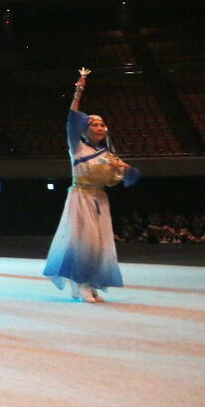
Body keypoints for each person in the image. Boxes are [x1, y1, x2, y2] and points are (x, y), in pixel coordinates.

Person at [42, 71, 139, 303]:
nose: (99, 127)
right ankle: (81, 283)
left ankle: (90, 282)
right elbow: (72, 121)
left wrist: (124, 169)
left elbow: (117, 180)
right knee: (83, 241)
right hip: (81, 196)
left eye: (102, 124)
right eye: (94, 124)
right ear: (84, 130)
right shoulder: (77, 147)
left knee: (99, 243)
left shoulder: (108, 154)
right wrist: (78, 93)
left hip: (100, 199)